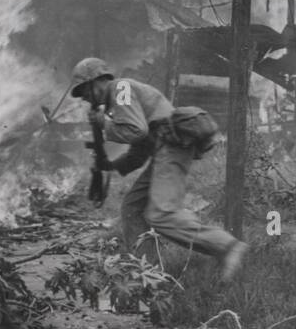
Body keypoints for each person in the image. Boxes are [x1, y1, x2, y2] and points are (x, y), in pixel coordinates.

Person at [69, 57, 247, 280]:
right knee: (133, 207)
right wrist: (113, 165)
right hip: (164, 149)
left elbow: (136, 131)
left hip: (173, 147)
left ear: (96, 81)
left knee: (161, 214)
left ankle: (226, 246)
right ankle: (146, 271)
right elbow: (140, 147)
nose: (85, 98)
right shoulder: (120, 97)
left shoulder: (120, 88)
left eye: (84, 90)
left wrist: (103, 123)